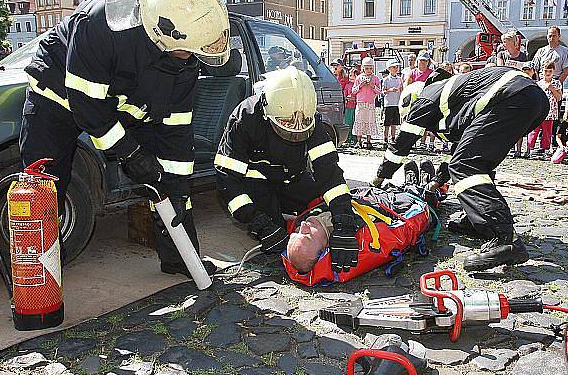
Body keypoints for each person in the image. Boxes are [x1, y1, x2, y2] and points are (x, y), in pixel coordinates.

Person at [21, 0, 229, 277]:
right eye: (190, 51)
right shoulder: (99, 25)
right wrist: (131, 154)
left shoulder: (184, 58)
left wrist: (178, 188)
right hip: (59, 97)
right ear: (163, 36)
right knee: (44, 184)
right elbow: (89, 107)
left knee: (172, 184)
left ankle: (180, 257)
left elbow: (176, 129)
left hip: (122, 103)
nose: (193, 58)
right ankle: (40, 273)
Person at [373, 66, 549, 270]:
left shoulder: (424, 99)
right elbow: (461, 150)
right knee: (477, 161)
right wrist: (438, 180)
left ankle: (504, 238)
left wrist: (379, 178)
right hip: (529, 98)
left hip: (510, 95)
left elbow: (401, 144)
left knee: (467, 167)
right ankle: (478, 220)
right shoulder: (453, 97)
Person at [215, 66, 359, 272]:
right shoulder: (245, 118)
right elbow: (227, 178)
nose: (294, 132)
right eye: (284, 124)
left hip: (293, 178)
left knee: (323, 207)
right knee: (277, 236)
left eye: (302, 127)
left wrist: (344, 222)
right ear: (267, 110)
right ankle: (270, 219)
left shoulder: (310, 119)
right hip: (257, 183)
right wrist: (256, 221)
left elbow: (329, 173)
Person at [285, 163, 446, 279]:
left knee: (399, 189)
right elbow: (405, 228)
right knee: (417, 196)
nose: (303, 226)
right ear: (325, 249)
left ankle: (413, 182)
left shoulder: (308, 220)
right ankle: (429, 185)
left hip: (371, 195)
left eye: (297, 232)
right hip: (393, 206)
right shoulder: (355, 238)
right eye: (307, 235)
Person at [526, 61, 561, 158]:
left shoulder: (556, 83)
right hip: (538, 112)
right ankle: (530, 149)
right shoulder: (538, 84)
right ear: (542, 71)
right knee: (534, 130)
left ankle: (545, 149)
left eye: (550, 71)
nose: (548, 73)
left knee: (547, 132)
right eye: (546, 70)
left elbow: (559, 97)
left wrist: (552, 89)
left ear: (554, 71)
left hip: (550, 113)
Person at [352, 57, 382, 149]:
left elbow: (379, 91)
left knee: (370, 121)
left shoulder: (375, 78)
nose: (369, 70)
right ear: (363, 68)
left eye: (370, 68)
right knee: (359, 121)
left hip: (370, 104)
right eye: (367, 68)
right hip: (361, 104)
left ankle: (368, 141)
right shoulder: (359, 78)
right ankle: (359, 141)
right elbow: (353, 91)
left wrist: (373, 86)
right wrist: (360, 86)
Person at [334, 60, 356, 146]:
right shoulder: (333, 76)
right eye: (334, 65)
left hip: (344, 101)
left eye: (337, 65)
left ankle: (349, 136)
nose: (335, 67)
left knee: (347, 119)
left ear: (341, 66)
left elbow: (348, 88)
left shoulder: (345, 77)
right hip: (337, 100)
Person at [382, 59, 403, 145]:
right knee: (387, 123)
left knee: (394, 123)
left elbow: (402, 89)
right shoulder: (386, 79)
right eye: (394, 67)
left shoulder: (399, 79)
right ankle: (385, 138)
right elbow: (383, 91)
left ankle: (393, 137)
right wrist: (390, 90)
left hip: (396, 103)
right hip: (389, 103)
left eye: (396, 67)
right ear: (389, 68)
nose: (396, 69)